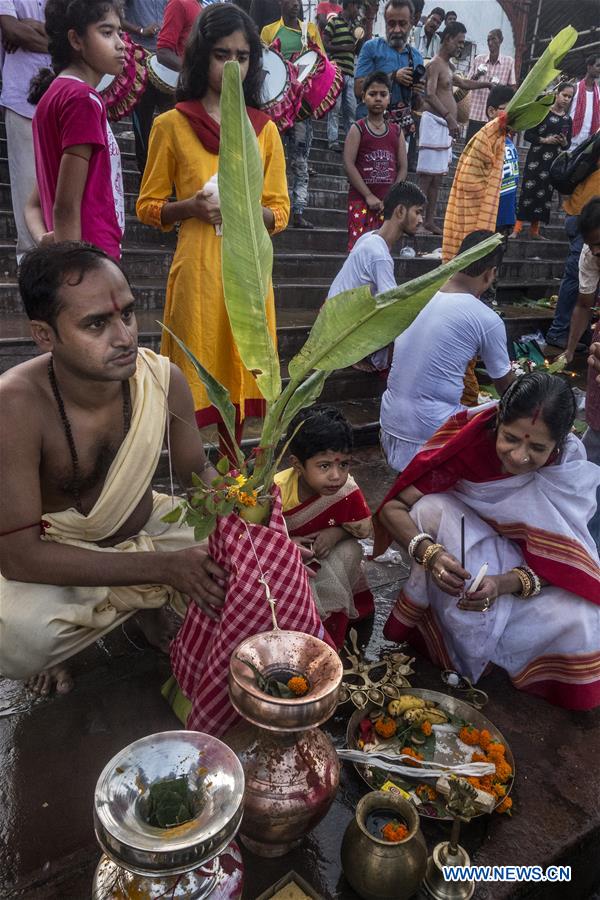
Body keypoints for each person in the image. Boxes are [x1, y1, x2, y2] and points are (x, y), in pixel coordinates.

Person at [0, 243, 229, 696]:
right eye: (96, 324)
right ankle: (142, 599)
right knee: (18, 639)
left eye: (126, 313)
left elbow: (196, 472)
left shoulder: (163, 378)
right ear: (44, 335)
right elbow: (19, 556)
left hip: (146, 526)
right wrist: (166, 569)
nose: (125, 337)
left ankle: (142, 606)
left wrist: (253, 519)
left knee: (243, 562)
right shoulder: (14, 406)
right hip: (58, 553)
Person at [375, 372, 600, 711]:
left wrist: (503, 584)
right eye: (510, 438)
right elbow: (393, 507)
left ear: (559, 443)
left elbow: (565, 559)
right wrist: (432, 555)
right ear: (498, 422)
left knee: (584, 621)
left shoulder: (567, 470)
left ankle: (497, 649)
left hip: (526, 570)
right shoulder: (469, 441)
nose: (519, 457)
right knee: (428, 508)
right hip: (466, 544)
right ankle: (457, 642)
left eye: (537, 447)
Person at [138, 5, 289, 447]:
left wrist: (244, 207)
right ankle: (197, 484)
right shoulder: (171, 125)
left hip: (248, 273)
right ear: (202, 55)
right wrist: (189, 207)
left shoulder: (264, 132)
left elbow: (279, 212)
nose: (232, 66)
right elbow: (148, 206)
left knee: (243, 376)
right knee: (194, 377)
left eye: (242, 57)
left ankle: (235, 485)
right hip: (197, 273)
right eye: (222, 54)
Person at [380, 230, 514, 472]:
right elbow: (509, 390)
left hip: (388, 421)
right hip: (431, 435)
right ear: (490, 273)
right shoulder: (486, 318)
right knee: (507, 414)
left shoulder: (417, 297)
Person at [24, 0, 125, 260]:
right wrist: (73, 269)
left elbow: (34, 205)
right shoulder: (82, 100)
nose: (120, 43)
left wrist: (45, 241)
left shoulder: (54, 96)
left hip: (81, 255)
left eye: (119, 32)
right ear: (76, 39)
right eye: (106, 32)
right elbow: (66, 206)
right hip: (91, 258)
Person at [274, 406, 374, 648]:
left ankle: (331, 633)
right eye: (324, 466)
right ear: (297, 465)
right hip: (286, 562)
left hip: (327, 557)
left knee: (351, 551)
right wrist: (288, 545)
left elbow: (362, 529)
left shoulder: (346, 491)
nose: (336, 476)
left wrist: (335, 534)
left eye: (344, 465)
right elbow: (259, 538)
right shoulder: (276, 491)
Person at [328, 180, 425, 370]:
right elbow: (393, 305)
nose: (421, 220)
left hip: (336, 320)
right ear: (400, 211)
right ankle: (355, 357)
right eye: (418, 212)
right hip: (340, 332)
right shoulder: (379, 254)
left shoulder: (370, 237)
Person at [261, 0, 323, 228]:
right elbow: (263, 64)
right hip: (275, 108)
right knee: (272, 159)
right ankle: (271, 208)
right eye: (291, 2)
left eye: (299, 2)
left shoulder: (311, 31)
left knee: (300, 161)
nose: (296, 5)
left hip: (301, 110)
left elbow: (320, 63)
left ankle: (298, 210)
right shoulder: (269, 31)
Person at [0, 0, 50, 262]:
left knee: (57, 183)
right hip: (21, 99)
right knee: (27, 185)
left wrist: (35, 28)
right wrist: (58, 41)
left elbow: (76, 34)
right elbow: (12, 31)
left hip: (59, 97)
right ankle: (31, 263)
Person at [544, 138, 600, 350]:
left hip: (585, 214)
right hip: (585, 218)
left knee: (587, 282)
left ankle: (583, 333)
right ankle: (559, 332)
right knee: (576, 278)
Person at [344, 72, 407, 250]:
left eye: (383, 94)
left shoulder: (396, 131)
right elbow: (349, 164)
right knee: (358, 251)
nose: (378, 99)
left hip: (387, 206)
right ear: (363, 97)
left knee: (382, 252)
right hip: (361, 202)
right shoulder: (358, 129)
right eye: (372, 94)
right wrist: (368, 195)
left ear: (389, 98)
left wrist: (391, 197)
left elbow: (403, 167)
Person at [417, 21, 466, 235]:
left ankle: (429, 221)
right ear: (447, 39)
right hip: (434, 123)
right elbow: (429, 93)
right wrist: (449, 117)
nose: (461, 47)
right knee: (426, 177)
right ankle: (416, 220)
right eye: (459, 42)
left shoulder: (448, 66)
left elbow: (464, 84)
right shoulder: (435, 64)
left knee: (438, 178)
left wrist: (487, 85)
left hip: (444, 127)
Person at [511, 83, 574, 240]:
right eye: (564, 95)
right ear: (557, 94)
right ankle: (516, 229)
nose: (566, 99)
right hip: (536, 159)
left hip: (553, 163)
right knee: (528, 191)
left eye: (569, 96)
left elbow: (568, 145)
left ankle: (535, 231)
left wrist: (564, 142)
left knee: (544, 195)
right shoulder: (542, 113)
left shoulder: (567, 119)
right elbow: (528, 135)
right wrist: (545, 140)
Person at [354, 0, 424, 136]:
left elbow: (416, 106)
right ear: (385, 23)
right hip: (369, 128)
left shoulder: (416, 57)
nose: (397, 30)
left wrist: (416, 92)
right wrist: (393, 76)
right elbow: (358, 88)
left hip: (399, 133)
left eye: (402, 24)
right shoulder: (371, 47)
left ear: (411, 23)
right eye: (392, 24)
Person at [122, 0, 170, 173]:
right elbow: (115, 14)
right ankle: (145, 176)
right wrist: (140, 30)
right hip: (140, 60)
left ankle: (169, 171)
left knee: (172, 120)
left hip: (167, 62)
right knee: (143, 124)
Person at [564, 198, 600, 364]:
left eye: (598, 244)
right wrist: (569, 351)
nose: (595, 251)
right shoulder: (590, 255)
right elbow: (584, 305)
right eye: (590, 245)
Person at [466, 28, 516, 143]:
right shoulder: (479, 60)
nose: (490, 43)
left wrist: (499, 89)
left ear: (501, 40)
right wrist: (480, 78)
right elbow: (468, 83)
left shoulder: (509, 62)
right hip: (476, 115)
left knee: (490, 155)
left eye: (493, 39)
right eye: (488, 40)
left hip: (495, 118)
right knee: (470, 152)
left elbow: (512, 88)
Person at [323, 0, 359, 152]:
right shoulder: (333, 22)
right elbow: (325, 44)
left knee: (350, 109)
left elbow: (357, 50)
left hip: (350, 73)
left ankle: (351, 143)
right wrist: (344, 48)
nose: (358, 10)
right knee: (335, 107)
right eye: (357, 7)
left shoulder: (356, 27)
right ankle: (333, 141)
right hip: (336, 72)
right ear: (350, 5)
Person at [486, 85, 519, 235]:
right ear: (491, 111)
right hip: (488, 217)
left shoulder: (508, 140)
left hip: (505, 217)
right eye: (504, 109)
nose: (508, 114)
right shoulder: (486, 140)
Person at [156, 0, 201, 71]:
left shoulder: (199, 7)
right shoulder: (178, 3)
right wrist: (192, 73)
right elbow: (163, 52)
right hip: (175, 76)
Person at [570, 54, 600, 150]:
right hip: (569, 140)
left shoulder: (599, 92)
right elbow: (563, 113)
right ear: (589, 66)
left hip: (588, 142)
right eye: (598, 65)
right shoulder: (575, 88)